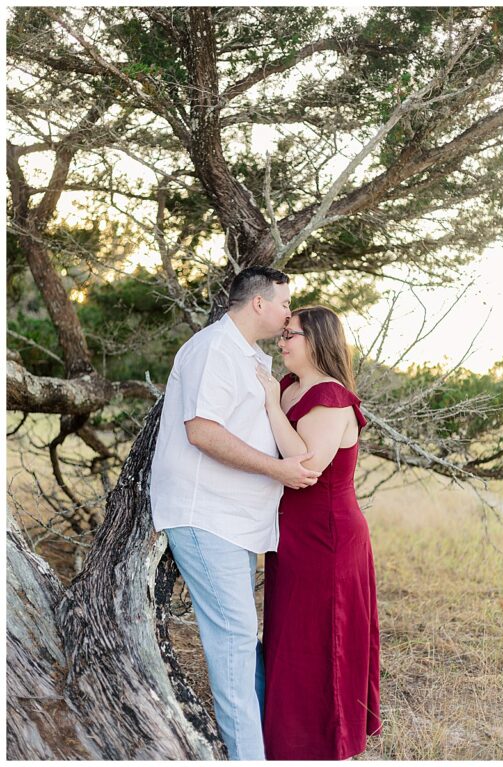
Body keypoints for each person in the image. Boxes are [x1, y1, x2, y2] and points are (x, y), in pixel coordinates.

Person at [150, 266, 321, 760]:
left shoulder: (252, 358)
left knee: (243, 640)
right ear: (260, 304)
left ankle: (271, 747)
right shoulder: (213, 350)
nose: (290, 313)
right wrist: (278, 469)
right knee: (234, 640)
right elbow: (201, 431)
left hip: (237, 521)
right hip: (207, 515)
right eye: (285, 303)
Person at [258, 305, 382, 760]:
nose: (282, 341)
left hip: (328, 537)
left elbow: (307, 468)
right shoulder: (291, 386)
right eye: (283, 334)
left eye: (291, 335)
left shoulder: (330, 396)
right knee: (291, 638)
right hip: (291, 533)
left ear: (317, 341)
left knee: (324, 639)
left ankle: (327, 745)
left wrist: (270, 405)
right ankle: (287, 742)